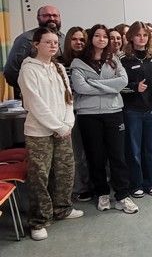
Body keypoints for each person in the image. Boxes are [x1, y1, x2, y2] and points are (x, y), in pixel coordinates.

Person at [18, 27, 83, 241]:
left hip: (63, 128)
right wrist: (58, 127)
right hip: (39, 133)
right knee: (40, 176)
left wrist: (68, 123)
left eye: (55, 42)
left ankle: (62, 208)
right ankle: (39, 220)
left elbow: (68, 98)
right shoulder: (29, 69)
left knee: (65, 171)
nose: (53, 45)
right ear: (36, 44)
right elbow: (35, 104)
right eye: (48, 42)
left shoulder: (59, 68)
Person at [70, 24, 139, 214]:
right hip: (88, 114)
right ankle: (102, 193)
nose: (102, 39)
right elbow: (80, 87)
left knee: (118, 155)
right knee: (95, 156)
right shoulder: (78, 62)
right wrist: (109, 86)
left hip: (113, 111)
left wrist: (94, 83)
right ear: (90, 38)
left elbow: (123, 82)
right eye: (97, 36)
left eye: (105, 36)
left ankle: (122, 195)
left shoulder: (114, 59)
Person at [120, 21, 152, 198]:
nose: (142, 38)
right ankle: (136, 184)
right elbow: (120, 86)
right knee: (134, 150)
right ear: (131, 37)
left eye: (145, 35)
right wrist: (134, 87)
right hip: (133, 110)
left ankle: (151, 182)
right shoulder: (124, 60)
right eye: (138, 35)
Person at [59, 27, 92, 202]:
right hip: (69, 112)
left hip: (88, 109)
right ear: (68, 41)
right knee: (76, 153)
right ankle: (79, 187)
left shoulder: (90, 61)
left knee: (91, 151)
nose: (79, 43)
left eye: (82, 40)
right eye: (75, 39)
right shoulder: (59, 62)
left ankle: (92, 183)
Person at [5, 5, 65, 94]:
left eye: (55, 15)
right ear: (38, 18)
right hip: (32, 91)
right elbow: (11, 71)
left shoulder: (63, 38)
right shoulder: (26, 39)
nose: (52, 18)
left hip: (58, 91)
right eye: (46, 15)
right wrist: (27, 88)